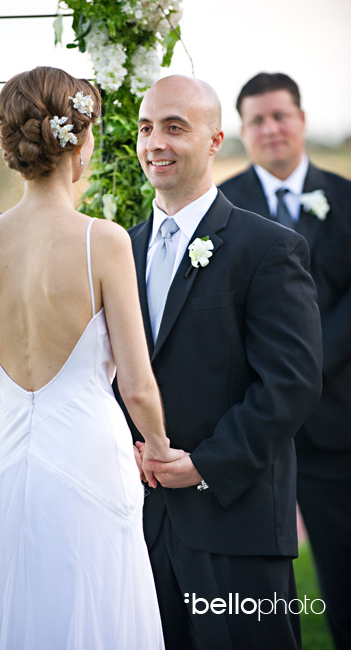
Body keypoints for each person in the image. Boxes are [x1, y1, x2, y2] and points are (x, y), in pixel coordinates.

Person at [0, 66, 177, 649]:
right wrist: (159, 447)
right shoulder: (102, 240)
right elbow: (137, 387)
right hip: (87, 455)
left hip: (9, 454)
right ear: (78, 142)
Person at [124, 75, 323, 649]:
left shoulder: (268, 247)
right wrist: (124, 444)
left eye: (174, 127)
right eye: (146, 128)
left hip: (236, 521)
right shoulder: (121, 250)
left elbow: (291, 385)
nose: (155, 143)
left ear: (214, 141)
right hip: (140, 525)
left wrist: (205, 465)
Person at [219, 72, 351, 650]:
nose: (270, 129)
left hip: (336, 423)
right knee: (248, 591)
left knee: (345, 575)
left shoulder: (347, 197)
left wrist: (305, 365)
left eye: (280, 116)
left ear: (301, 119)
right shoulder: (221, 207)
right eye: (257, 121)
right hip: (254, 424)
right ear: (242, 132)